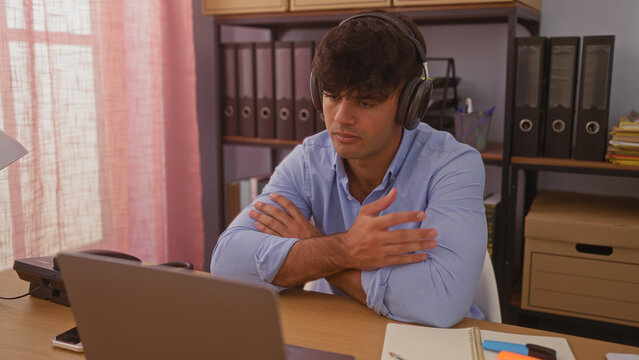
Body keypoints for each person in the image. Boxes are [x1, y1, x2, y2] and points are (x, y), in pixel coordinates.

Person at [210, 10, 487, 327]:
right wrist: (345, 250)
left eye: (365, 102)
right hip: (345, 331)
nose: (341, 118)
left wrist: (317, 249)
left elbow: (440, 302)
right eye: (331, 95)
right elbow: (228, 263)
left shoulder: (453, 165)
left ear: (412, 104)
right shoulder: (309, 159)